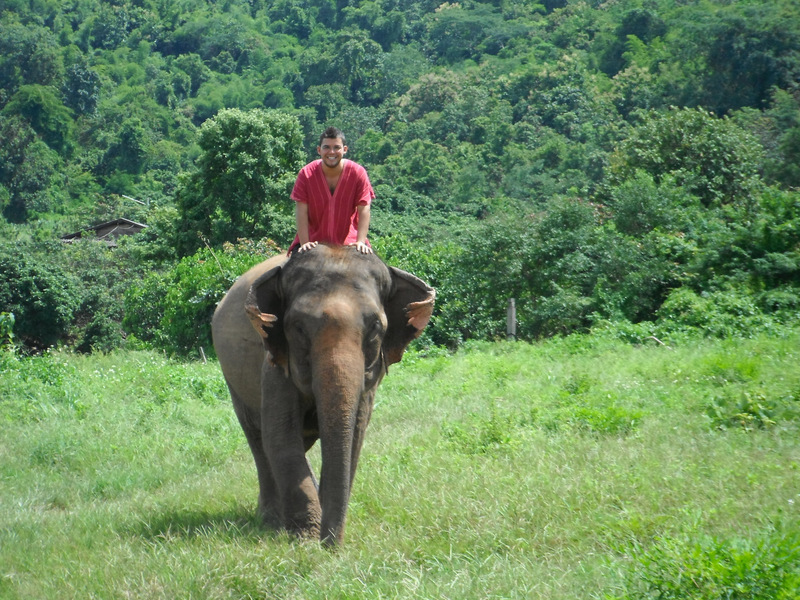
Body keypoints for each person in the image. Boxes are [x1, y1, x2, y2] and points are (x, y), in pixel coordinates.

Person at [288, 126, 376, 255]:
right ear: (319, 150)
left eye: (336, 147)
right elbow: (301, 211)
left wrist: (361, 241)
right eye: (326, 147)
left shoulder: (358, 173)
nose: (332, 152)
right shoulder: (306, 174)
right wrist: (305, 242)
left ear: (345, 149)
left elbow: (364, 208)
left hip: (349, 242)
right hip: (313, 241)